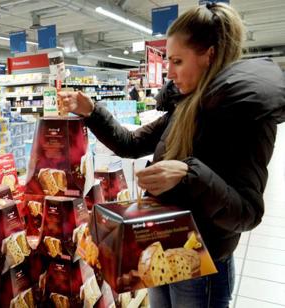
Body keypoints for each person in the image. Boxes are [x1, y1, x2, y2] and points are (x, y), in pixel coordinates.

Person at [58, 2, 285, 308]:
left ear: (210, 55)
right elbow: (130, 143)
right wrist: (91, 111)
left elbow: (247, 213)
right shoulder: (186, 106)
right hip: (162, 246)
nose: (168, 71)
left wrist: (188, 173)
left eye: (177, 61)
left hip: (202, 263)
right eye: (168, 59)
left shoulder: (241, 117)